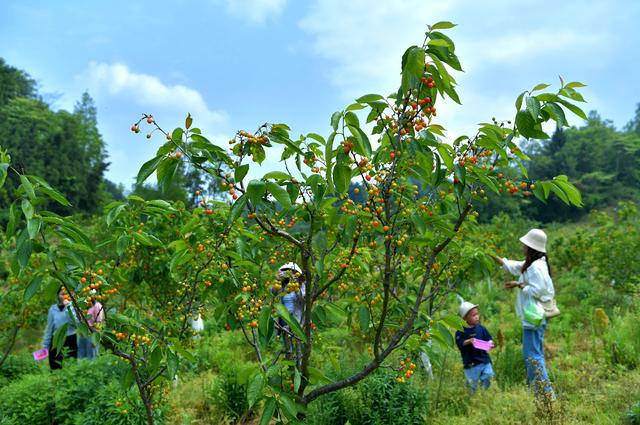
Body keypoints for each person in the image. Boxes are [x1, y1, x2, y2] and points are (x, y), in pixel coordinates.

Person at [492, 228, 555, 396]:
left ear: (531, 247)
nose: (523, 247)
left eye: (525, 245)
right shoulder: (534, 264)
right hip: (535, 316)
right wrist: (497, 259)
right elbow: (515, 266)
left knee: (532, 356)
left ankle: (545, 395)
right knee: (535, 354)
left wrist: (520, 285)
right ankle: (540, 392)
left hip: (534, 316)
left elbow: (538, 290)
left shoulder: (536, 267)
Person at [455, 301, 494, 392]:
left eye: (477, 314)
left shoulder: (481, 328)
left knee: (488, 374)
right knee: (472, 386)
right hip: (471, 364)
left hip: (484, 360)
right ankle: (472, 398)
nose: (477, 317)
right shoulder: (461, 331)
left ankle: (483, 393)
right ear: (465, 318)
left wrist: (490, 343)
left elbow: (489, 338)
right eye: (473, 315)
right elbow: (460, 342)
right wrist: (469, 341)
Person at [271, 262, 306, 364]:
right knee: (288, 348)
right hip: (284, 322)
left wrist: (296, 286)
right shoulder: (283, 286)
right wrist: (278, 280)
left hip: (297, 320)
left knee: (299, 346)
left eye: (293, 272)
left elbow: (304, 299)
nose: (291, 274)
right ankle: (291, 367)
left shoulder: (302, 285)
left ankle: (300, 367)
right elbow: (273, 293)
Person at [43, 287, 78, 369]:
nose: (65, 296)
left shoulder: (72, 307)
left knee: (72, 365)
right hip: (56, 339)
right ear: (58, 296)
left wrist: (69, 306)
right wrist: (45, 344)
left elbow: (74, 323)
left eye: (67, 294)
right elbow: (50, 328)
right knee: (55, 364)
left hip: (70, 339)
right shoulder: (52, 309)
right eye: (62, 294)